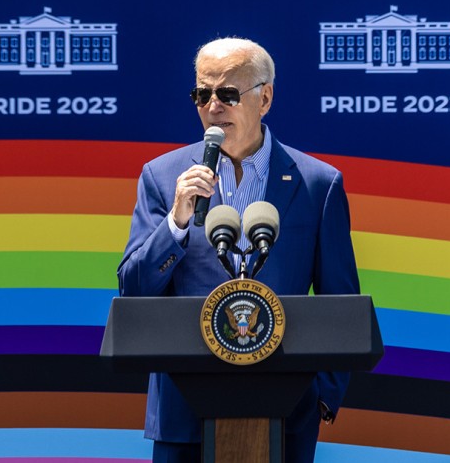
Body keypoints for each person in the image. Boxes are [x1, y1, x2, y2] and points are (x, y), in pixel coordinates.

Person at [117, 37, 360, 463]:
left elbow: (341, 300)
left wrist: (322, 396)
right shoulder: (162, 177)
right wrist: (176, 221)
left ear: (264, 98)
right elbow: (133, 289)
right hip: (184, 413)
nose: (213, 106)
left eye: (228, 93)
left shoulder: (317, 184)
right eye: (202, 94)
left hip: (287, 413)